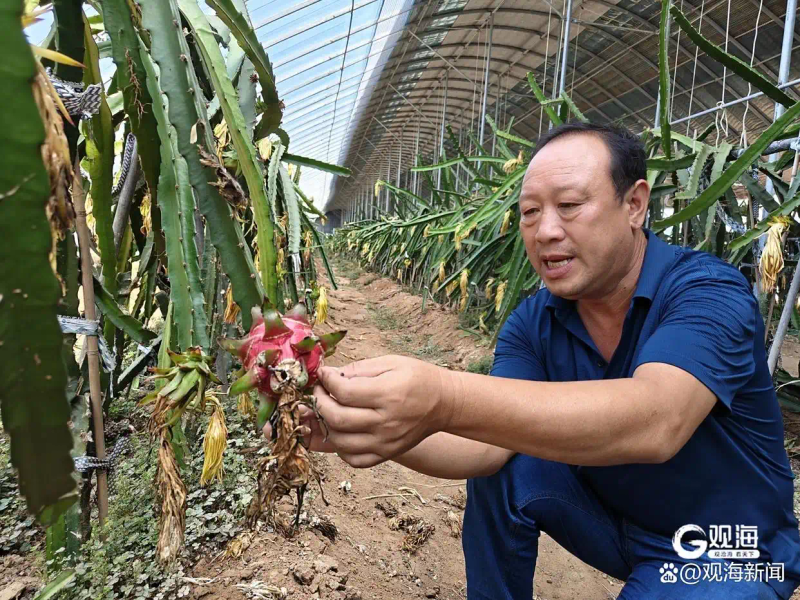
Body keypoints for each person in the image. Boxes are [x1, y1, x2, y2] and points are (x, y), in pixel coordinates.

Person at [264, 122, 800, 599]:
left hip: (730, 550)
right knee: (507, 456)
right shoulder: (534, 320)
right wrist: (340, 423)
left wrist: (445, 395)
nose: (544, 230)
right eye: (528, 213)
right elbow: (485, 442)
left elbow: (656, 420)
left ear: (635, 204)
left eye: (569, 206)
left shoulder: (707, 292)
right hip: (616, 524)